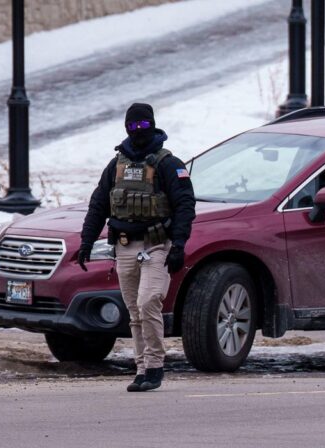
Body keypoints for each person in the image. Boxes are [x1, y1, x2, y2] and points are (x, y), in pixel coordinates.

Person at [78, 103, 195, 392]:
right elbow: (98, 204)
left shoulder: (169, 164)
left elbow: (185, 205)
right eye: (132, 126)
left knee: (148, 302)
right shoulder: (116, 165)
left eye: (143, 126)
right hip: (125, 246)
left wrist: (179, 244)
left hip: (157, 245)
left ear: (152, 125)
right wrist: (86, 240)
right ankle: (142, 369)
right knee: (135, 311)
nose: (138, 131)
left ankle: (155, 366)